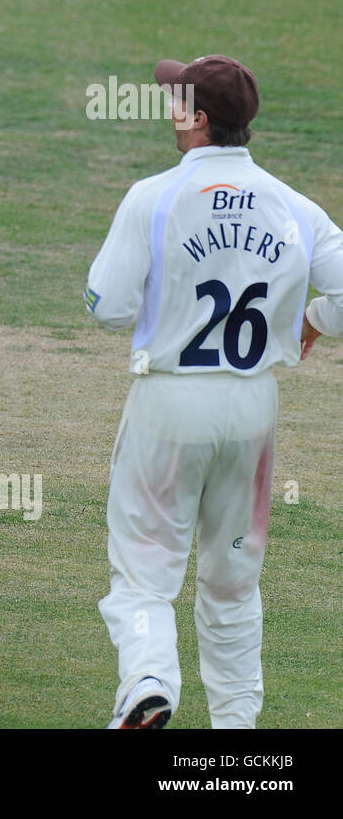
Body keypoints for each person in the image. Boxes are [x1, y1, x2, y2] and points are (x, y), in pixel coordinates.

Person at [86, 55, 343, 727]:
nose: (169, 110)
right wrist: (313, 319)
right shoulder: (293, 203)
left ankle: (147, 686)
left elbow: (107, 307)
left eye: (178, 101)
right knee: (233, 583)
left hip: (170, 406)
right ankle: (233, 730)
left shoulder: (153, 196)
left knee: (144, 576)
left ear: (199, 120)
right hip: (253, 411)